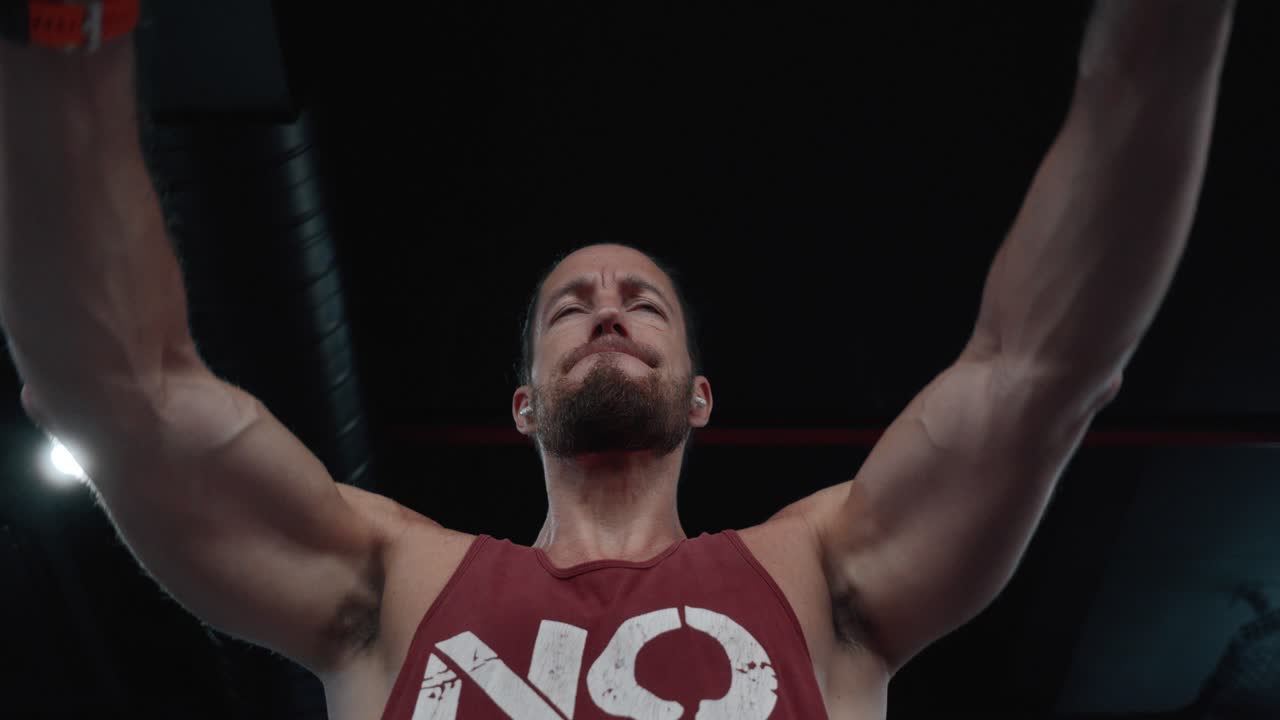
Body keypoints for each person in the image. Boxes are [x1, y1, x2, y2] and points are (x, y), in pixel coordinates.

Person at [0, 2, 1237, 718]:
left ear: (700, 396)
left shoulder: (826, 576)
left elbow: (1040, 363)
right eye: (569, 304)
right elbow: (121, 395)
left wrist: (1168, 33)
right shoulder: (384, 585)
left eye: (643, 300)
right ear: (523, 401)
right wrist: (69, 30)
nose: (607, 308)